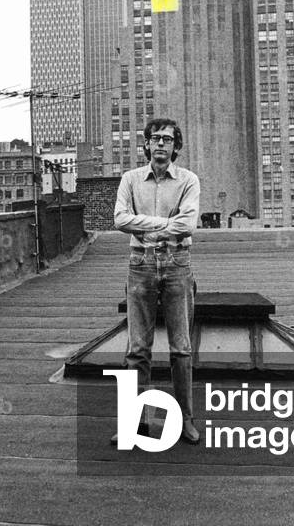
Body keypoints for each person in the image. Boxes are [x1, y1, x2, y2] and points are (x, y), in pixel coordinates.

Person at [111, 117, 200, 445]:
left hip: (177, 265)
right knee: (137, 349)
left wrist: (144, 226)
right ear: (146, 144)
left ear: (176, 146)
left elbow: (188, 224)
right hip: (141, 266)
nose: (160, 144)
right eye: (155, 139)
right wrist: (165, 223)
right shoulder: (130, 180)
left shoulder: (188, 180)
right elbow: (119, 219)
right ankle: (136, 424)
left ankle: (185, 420)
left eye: (167, 139)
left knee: (181, 348)